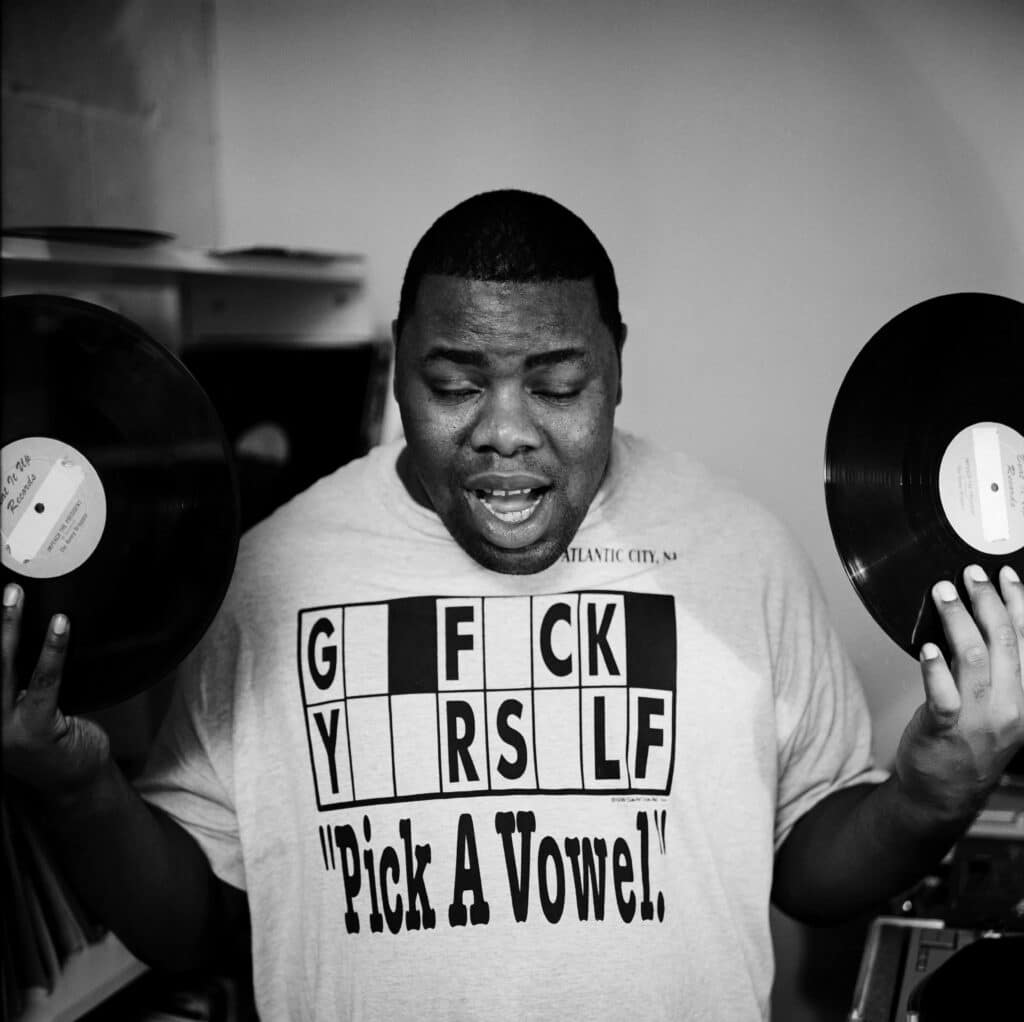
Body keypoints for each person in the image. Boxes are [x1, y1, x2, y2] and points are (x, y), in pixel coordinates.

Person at [3, 189, 1023, 1021]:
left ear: (617, 366)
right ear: (398, 365)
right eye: (454, 382)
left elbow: (807, 867)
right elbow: (195, 927)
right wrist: (77, 786)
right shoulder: (268, 574)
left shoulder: (740, 551)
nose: (505, 430)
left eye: (557, 383)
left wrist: (932, 793)